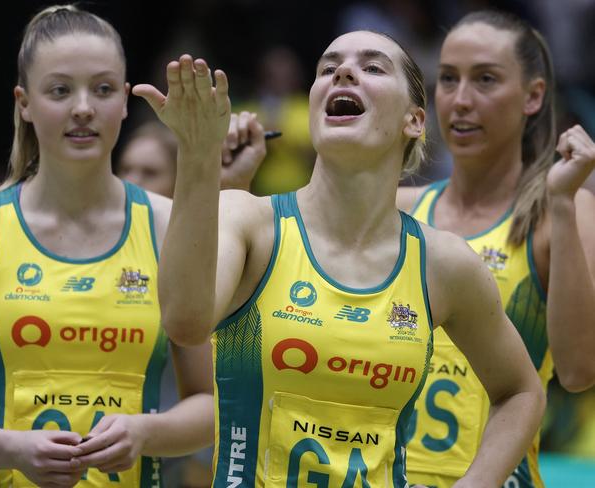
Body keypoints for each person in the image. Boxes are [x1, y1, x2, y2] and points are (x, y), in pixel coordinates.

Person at [134, 31, 546, 487]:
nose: (343, 73)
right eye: (328, 69)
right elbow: (184, 323)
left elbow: (522, 391)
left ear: (414, 120)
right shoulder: (249, 219)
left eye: (372, 67)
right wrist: (198, 152)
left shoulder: (442, 261)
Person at [0, 5, 257, 487]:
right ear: (24, 102)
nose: (84, 107)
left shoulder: (167, 225)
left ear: (127, 101)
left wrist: (145, 433)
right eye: (60, 90)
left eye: (104, 88)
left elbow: (214, 402)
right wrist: (11, 447)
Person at [398, 10, 595, 488]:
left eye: (485, 79)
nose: (461, 100)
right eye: (447, 79)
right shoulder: (396, 208)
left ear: (533, 96)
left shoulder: (563, 211)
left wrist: (565, 203)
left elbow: (578, 370)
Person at [116, 118, 264, 488]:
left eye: (150, 172)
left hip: (183, 460)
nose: (133, 181)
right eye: (126, 170)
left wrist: (228, 185)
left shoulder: (211, 254)